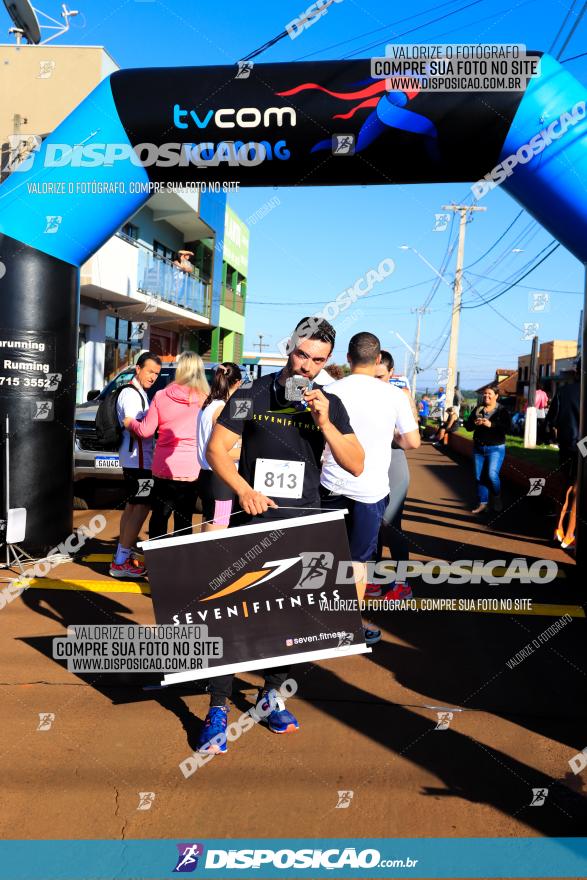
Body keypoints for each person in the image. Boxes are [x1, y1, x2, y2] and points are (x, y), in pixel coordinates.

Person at [201, 316, 364, 753]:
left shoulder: (329, 402)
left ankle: (270, 695)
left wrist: (326, 422)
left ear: (327, 363)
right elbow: (215, 450)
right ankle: (217, 706)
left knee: (294, 622)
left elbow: (356, 464)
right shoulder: (251, 393)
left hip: (305, 523)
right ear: (288, 347)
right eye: (302, 354)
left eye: (319, 360)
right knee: (235, 619)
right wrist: (243, 490)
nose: (307, 365)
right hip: (254, 522)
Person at [320, 335, 420, 641]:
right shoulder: (394, 395)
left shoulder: (327, 390)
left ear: (347, 358)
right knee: (357, 562)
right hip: (371, 489)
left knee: (324, 558)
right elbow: (413, 441)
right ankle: (350, 627)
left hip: (330, 484)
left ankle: (316, 625)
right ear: (378, 360)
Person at [124, 351, 209, 540]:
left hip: (163, 467)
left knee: (160, 516)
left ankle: (156, 562)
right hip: (192, 469)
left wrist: (130, 423)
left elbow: (145, 431)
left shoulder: (162, 396)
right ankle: (181, 564)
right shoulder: (206, 399)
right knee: (184, 518)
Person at [367, 350, 419, 602]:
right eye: (371, 376)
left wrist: (387, 434)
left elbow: (411, 439)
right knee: (370, 524)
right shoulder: (361, 392)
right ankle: (373, 581)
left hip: (393, 464)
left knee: (390, 525)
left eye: (380, 376)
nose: (375, 381)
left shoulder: (399, 396)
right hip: (369, 465)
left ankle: (402, 584)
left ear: (390, 373)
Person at [110, 351, 162, 579]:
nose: (153, 377)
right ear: (138, 369)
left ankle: (122, 554)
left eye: (156, 374)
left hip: (135, 460)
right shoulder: (131, 395)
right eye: (150, 371)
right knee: (140, 508)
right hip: (139, 460)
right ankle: (120, 561)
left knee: (133, 506)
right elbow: (134, 426)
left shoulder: (138, 392)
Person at [197, 362, 242, 532]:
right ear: (237, 383)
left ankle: (202, 559)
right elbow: (221, 451)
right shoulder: (222, 408)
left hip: (208, 475)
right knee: (218, 529)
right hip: (220, 478)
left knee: (209, 523)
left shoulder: (208, 405)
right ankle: (208, 559)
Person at [546, 361, 580, 549]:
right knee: (578, 490)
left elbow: (552, 423)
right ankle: (569, 536)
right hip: (584, 444)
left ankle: (557, 530)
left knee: (565, 486)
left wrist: (562, 441)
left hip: (568, 444)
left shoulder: (564, 392)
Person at [465, 385, 511, 514]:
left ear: (496, 396)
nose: (486, 396)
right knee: (479, 476)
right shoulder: (478, 409)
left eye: (489, 394)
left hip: (495, 448)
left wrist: (491, 424)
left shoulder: (502, 410)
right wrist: (474, 423)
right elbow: (468, 427)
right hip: (478, 448)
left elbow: (508, 428)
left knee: (491, 475)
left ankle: (496, 497)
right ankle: (483, 503)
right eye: (484, 394)